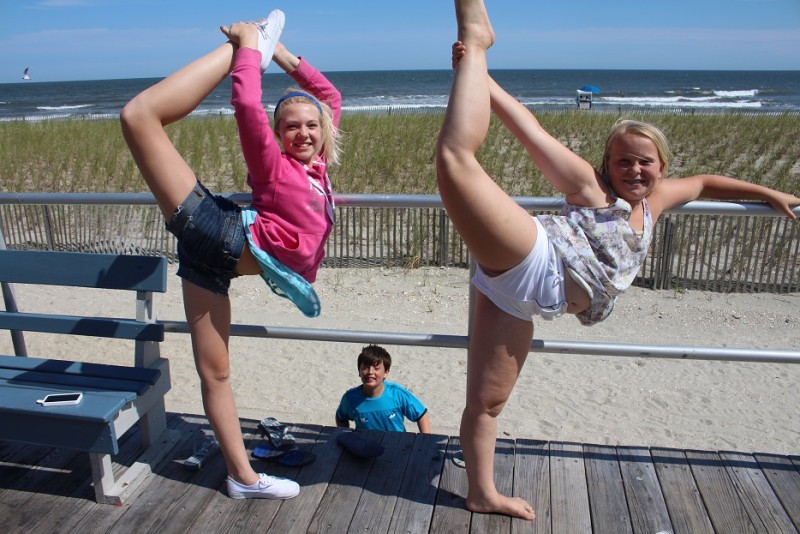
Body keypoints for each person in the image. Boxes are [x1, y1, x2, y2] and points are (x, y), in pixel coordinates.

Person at [436, 0, 800, 521]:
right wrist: (475, 63)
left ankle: (481, 492)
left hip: (528, 300)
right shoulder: (590, 187)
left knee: (488, 404)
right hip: (535, 258)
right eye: (622, 159)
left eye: (643, 161)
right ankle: (477, 28)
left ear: (660, 168)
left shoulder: (657, 202)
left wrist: (769, 192)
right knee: (454, 162)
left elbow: (708, 183)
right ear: (607, 164)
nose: (633, 168)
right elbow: (529, 129)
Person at [120, 9, 342, 500]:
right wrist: (247, 53)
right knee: (138, 116)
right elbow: (246, 105)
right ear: (278, 135)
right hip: (214, 231)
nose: (302, 134)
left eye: (310, 127)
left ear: (323, 132)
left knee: (215, 373)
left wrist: (280, 53)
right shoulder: (275, 167)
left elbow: (329, 97)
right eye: (290, 127)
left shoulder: (320, 167)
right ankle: (245, 41)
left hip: (215, 262)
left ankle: (243, 480)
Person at [335, 345, 431, 433]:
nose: (370, 372)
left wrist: (425, 441)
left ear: (386, 372)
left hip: (397, 445)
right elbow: (341, 417)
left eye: (376, 368)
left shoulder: (397, 394)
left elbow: (421, 415)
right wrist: (346, 435)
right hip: (364, 447)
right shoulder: (350, 398)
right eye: (365, 368)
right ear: (359, 371)